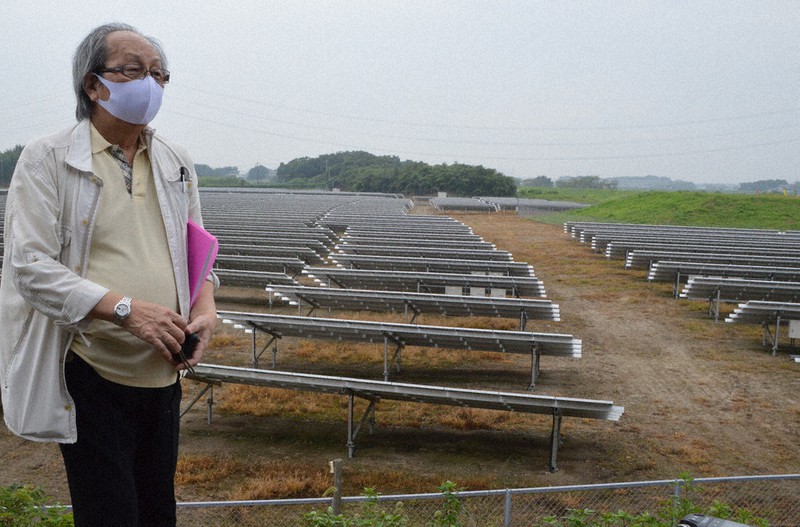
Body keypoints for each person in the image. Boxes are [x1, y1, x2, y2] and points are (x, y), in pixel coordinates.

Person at [0, 22, 217, 526]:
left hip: (163, 369)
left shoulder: (174, 160)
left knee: (157, 510)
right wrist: (125, 309)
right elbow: (30, 266)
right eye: (134, 71)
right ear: (93, 84)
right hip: (93, 368)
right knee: (109, 512)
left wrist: (205, 309)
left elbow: (197, 252)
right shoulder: (48, 159)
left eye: (160, 75)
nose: (151, 84)